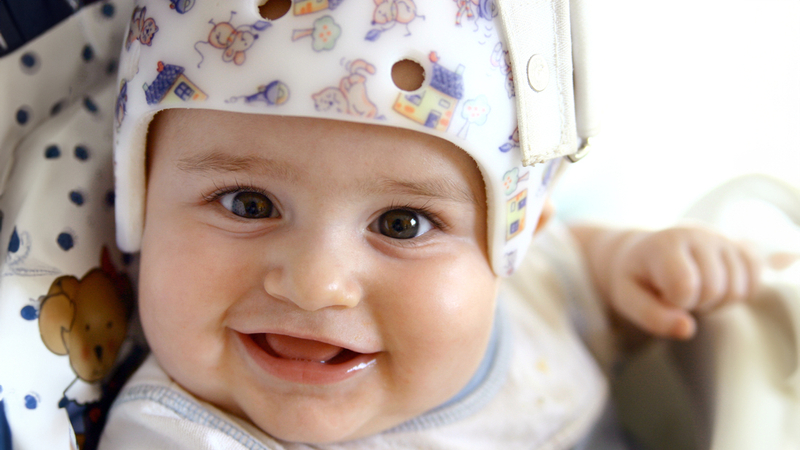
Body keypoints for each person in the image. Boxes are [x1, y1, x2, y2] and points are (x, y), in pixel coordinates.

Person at [99, 1, 761, 448]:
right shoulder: (180, 434)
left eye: (402, 222)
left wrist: (629, 264)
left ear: (515, 240)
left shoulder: (531, 285)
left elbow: (572, 264)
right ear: (141, 201)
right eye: (248, 204)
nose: (316, 283)